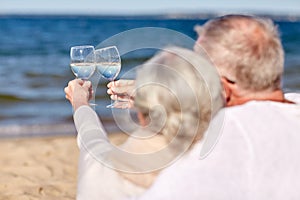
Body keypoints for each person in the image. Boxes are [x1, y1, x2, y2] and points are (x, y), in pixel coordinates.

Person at [108, 15, 300, 199]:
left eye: (198, 70)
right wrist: (161, 99)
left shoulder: (231, 133)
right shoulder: (292, 104)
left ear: (222, 87)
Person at [64, 47, 224, 199]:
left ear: (141, 113)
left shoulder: (98, 172)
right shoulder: (215, 169)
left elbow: (91, 139)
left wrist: (79, 102)